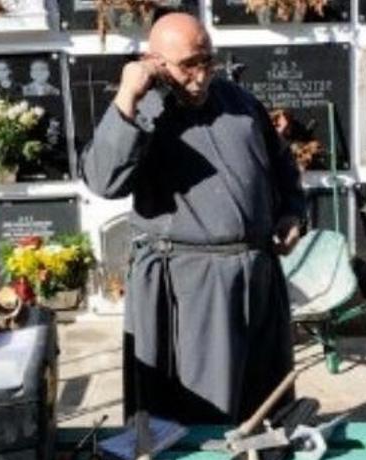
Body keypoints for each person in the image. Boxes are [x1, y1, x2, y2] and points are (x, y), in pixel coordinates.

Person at [81, 13, 305, 425]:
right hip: (189, 284)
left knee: (267, 404)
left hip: (258, 278)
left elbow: (283, 168)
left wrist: (292, 211)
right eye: (188, 65)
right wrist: (129, 96)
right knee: (204, 412)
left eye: (208, 61)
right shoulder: (142, 109)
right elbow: (103, 181)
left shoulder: (239, 102)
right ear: (154, 61)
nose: (201, 77)